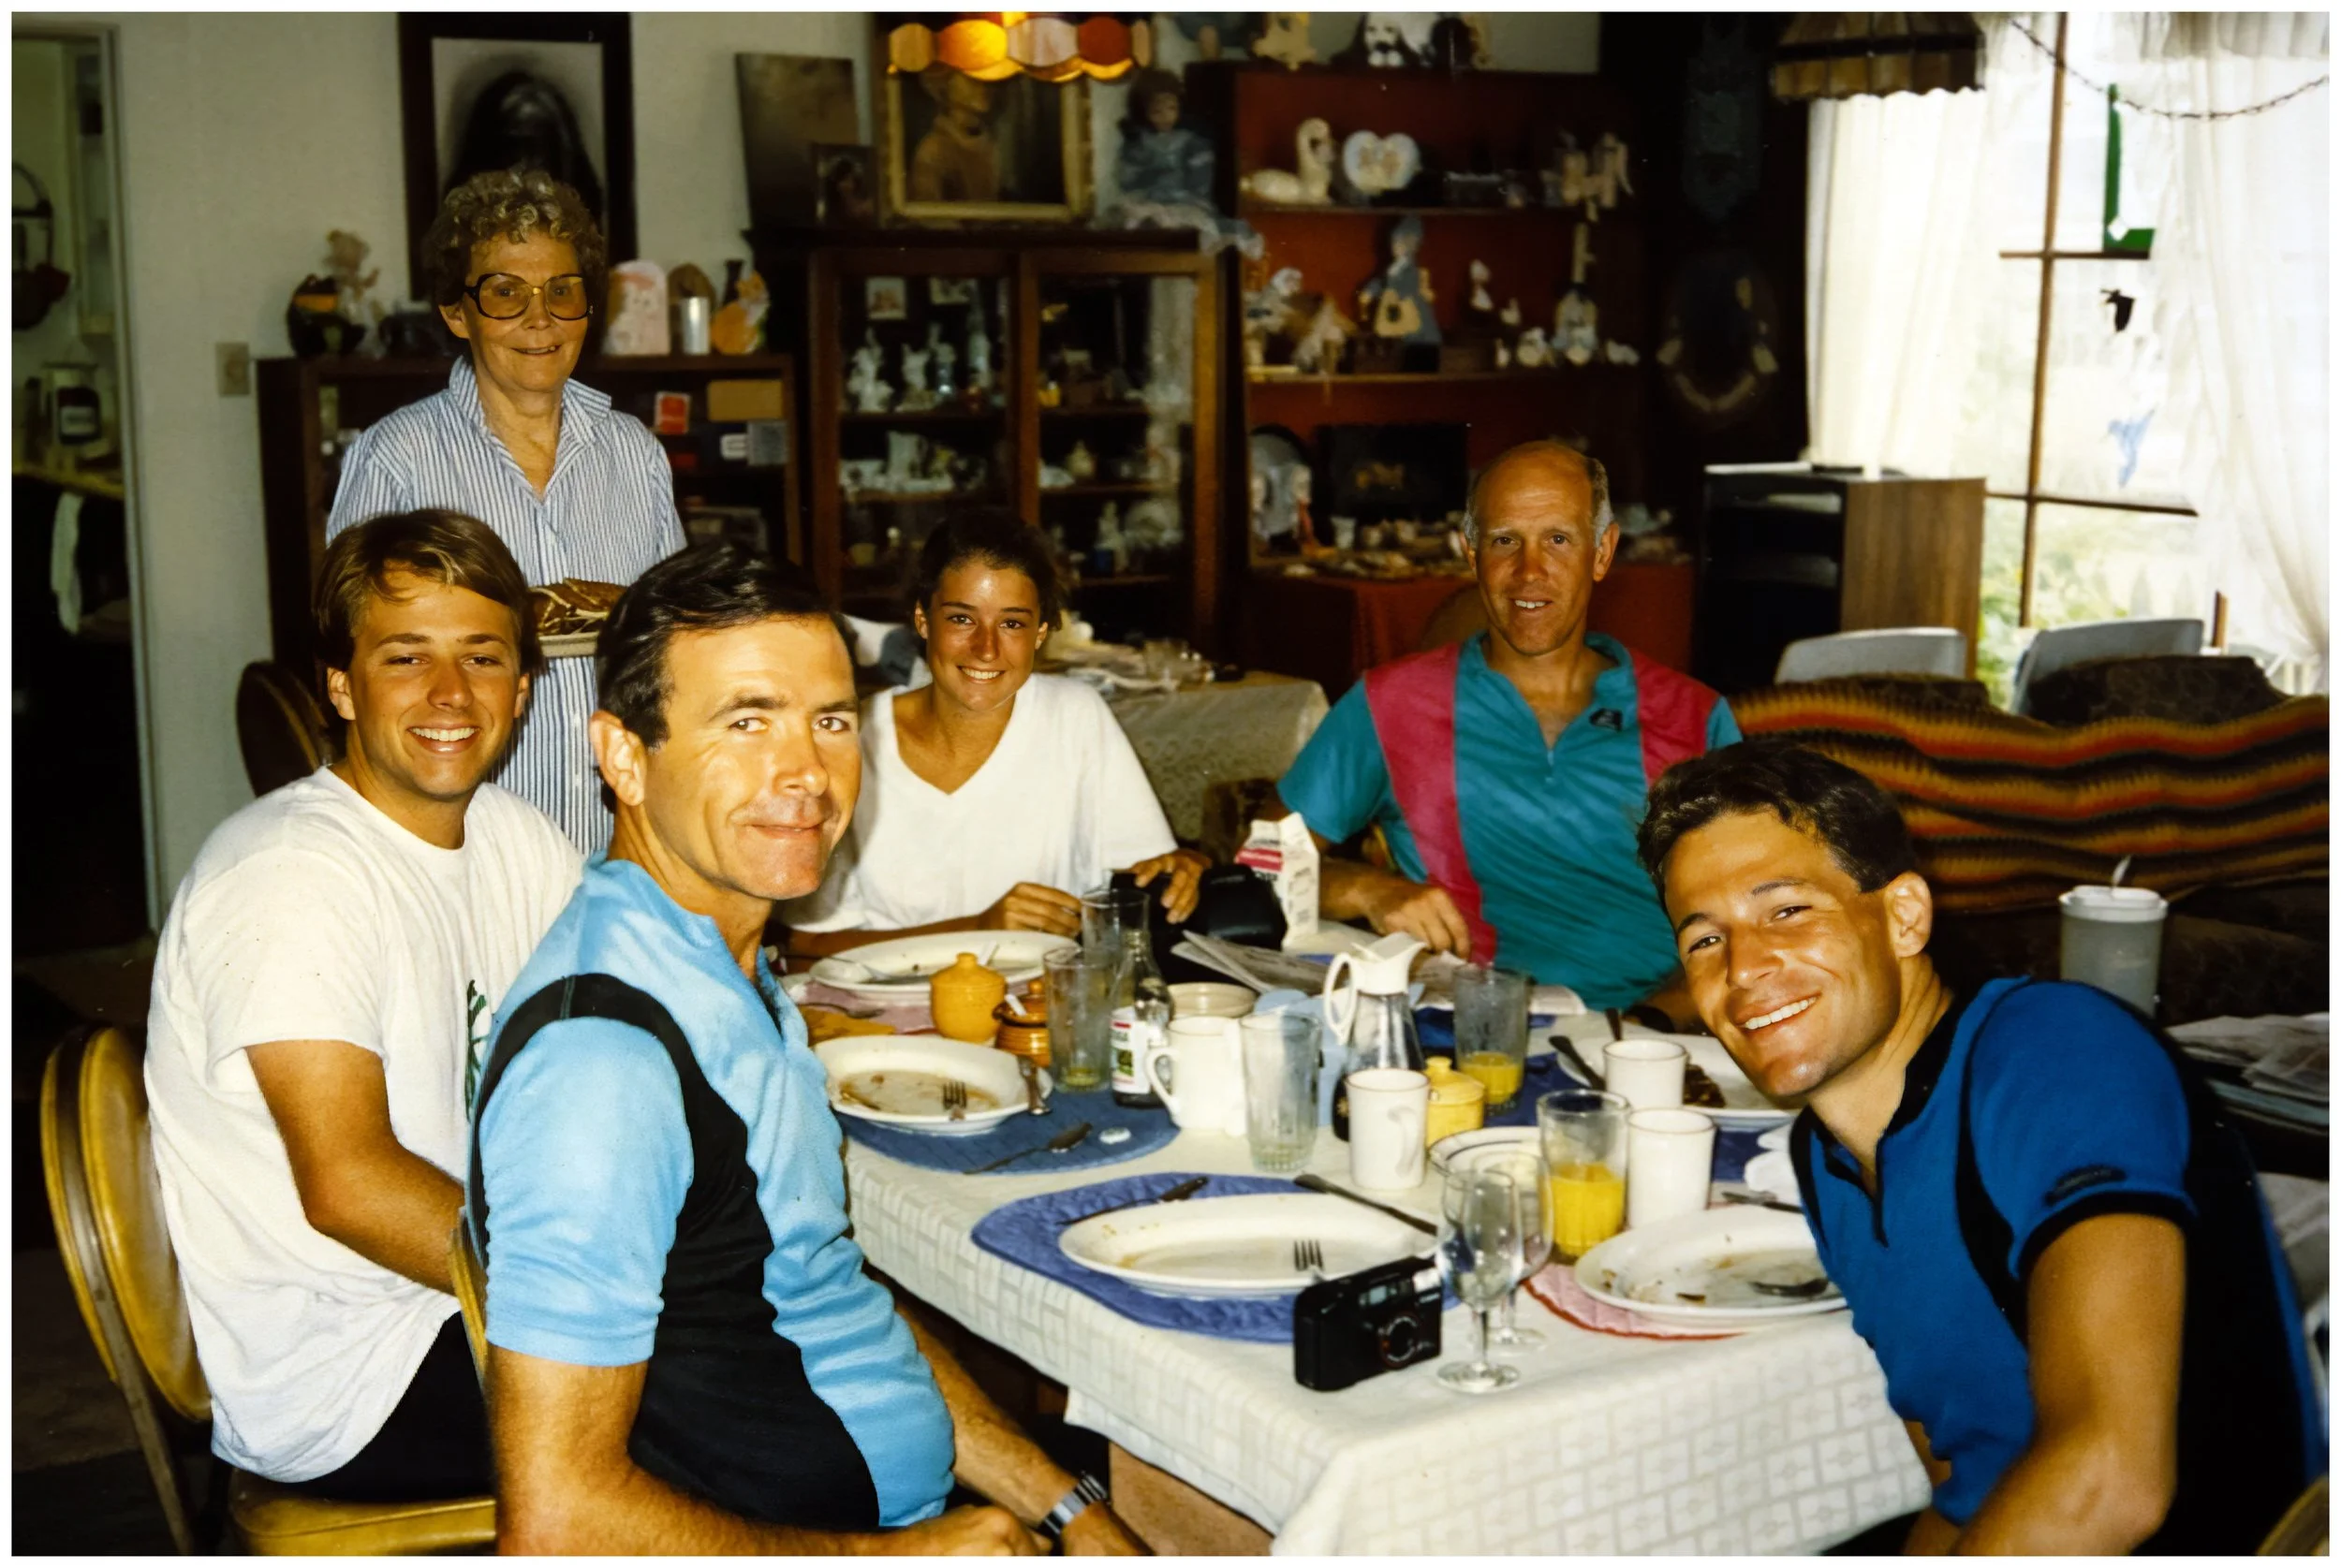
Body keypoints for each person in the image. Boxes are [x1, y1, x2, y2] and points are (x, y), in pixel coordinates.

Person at [465, 545, 1144, 1552]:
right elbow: (557, 1522)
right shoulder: (601, 1064)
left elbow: (821, 1289)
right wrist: (899, 1556)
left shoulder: (721, 966)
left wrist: (1066, 1504)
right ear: (622, 757)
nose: (806, 775)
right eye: (746, 722)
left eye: (830, 720)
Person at [1638, 740, 2324, 1553]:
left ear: (1903, 916)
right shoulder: (1826, 1157)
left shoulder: (2055, 1051)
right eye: (1705, 940)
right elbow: (1964, 1478)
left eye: (1787, 910)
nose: (1745, 967)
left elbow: (2110, 1480)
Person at [145, 510, 582, 1497]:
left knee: (795, 1332)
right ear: (341, 685)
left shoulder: (519, 840)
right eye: (405, 657)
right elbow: (349, 1183)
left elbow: (612, 1052)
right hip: (350, 1369)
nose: (450, 693)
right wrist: (592, 1280)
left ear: (522, 688)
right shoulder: (288, 872)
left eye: (482, 657)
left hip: (458, 1297)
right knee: (746, 1415)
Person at [1274, 439, 1738, 1015]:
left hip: (1652, 1033)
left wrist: (1650, 1030)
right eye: (1504, 541)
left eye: (1558, 540)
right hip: (1461, 1031)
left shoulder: (1694, 717)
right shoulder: (1391, 703)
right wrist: (1365, 889)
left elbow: (1746, 916)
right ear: (1471, 554)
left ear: (1601, 553)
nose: (1529, 571)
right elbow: (1264, 861)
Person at [328, 167, 684, 853]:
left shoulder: (635, 454)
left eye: (562, 291)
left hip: (622, 840)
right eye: (505, 292)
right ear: (456, 313)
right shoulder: (397, 458)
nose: (539, 319)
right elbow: (354, 654)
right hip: (466, 844)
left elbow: (674, 649)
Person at [779, 510, 1205, 948]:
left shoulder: (1075, 716)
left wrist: (1180, 870)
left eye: (1012, 623)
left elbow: (1142, 880)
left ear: (1040, 633)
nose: (986, 648)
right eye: (962, 619)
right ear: (923, 619)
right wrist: (978, 930)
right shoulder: (855, 738)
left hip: (1044, 991)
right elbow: (805, 945)